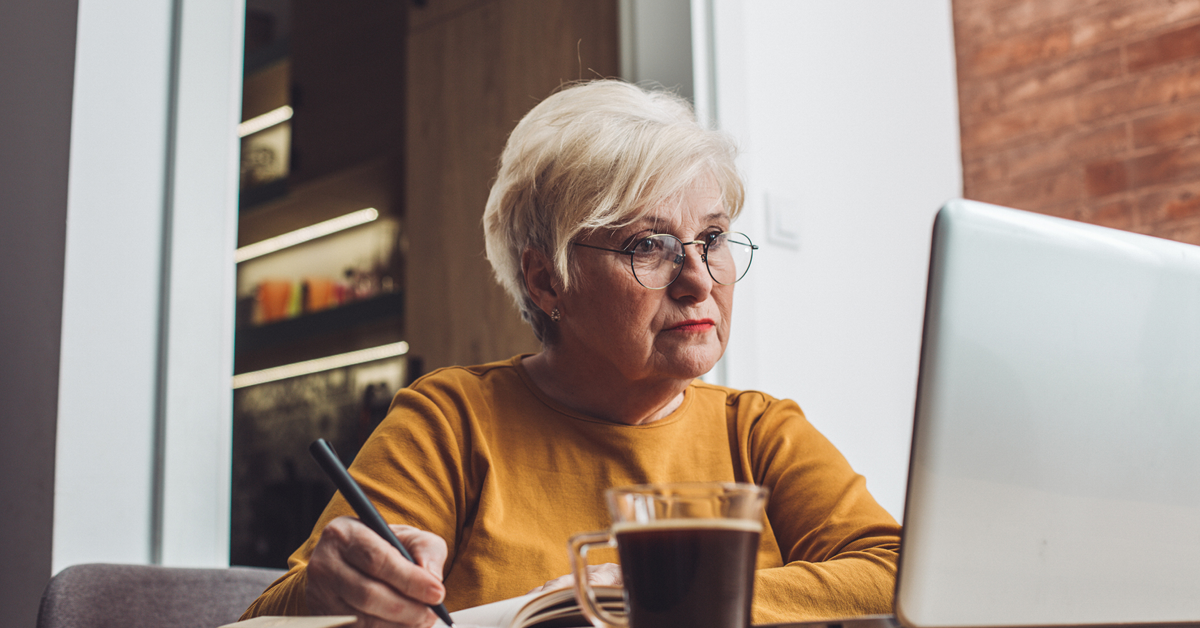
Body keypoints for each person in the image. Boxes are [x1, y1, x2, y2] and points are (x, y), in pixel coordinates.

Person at [241, 79, 900, 627]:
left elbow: (897, 573)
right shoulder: (453, 419)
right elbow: (264, 619)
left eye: (713, 238)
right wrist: (332, 594)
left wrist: (664, 606)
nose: (699, 279)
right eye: (648, 244)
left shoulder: (756, 428)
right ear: (545, 280)